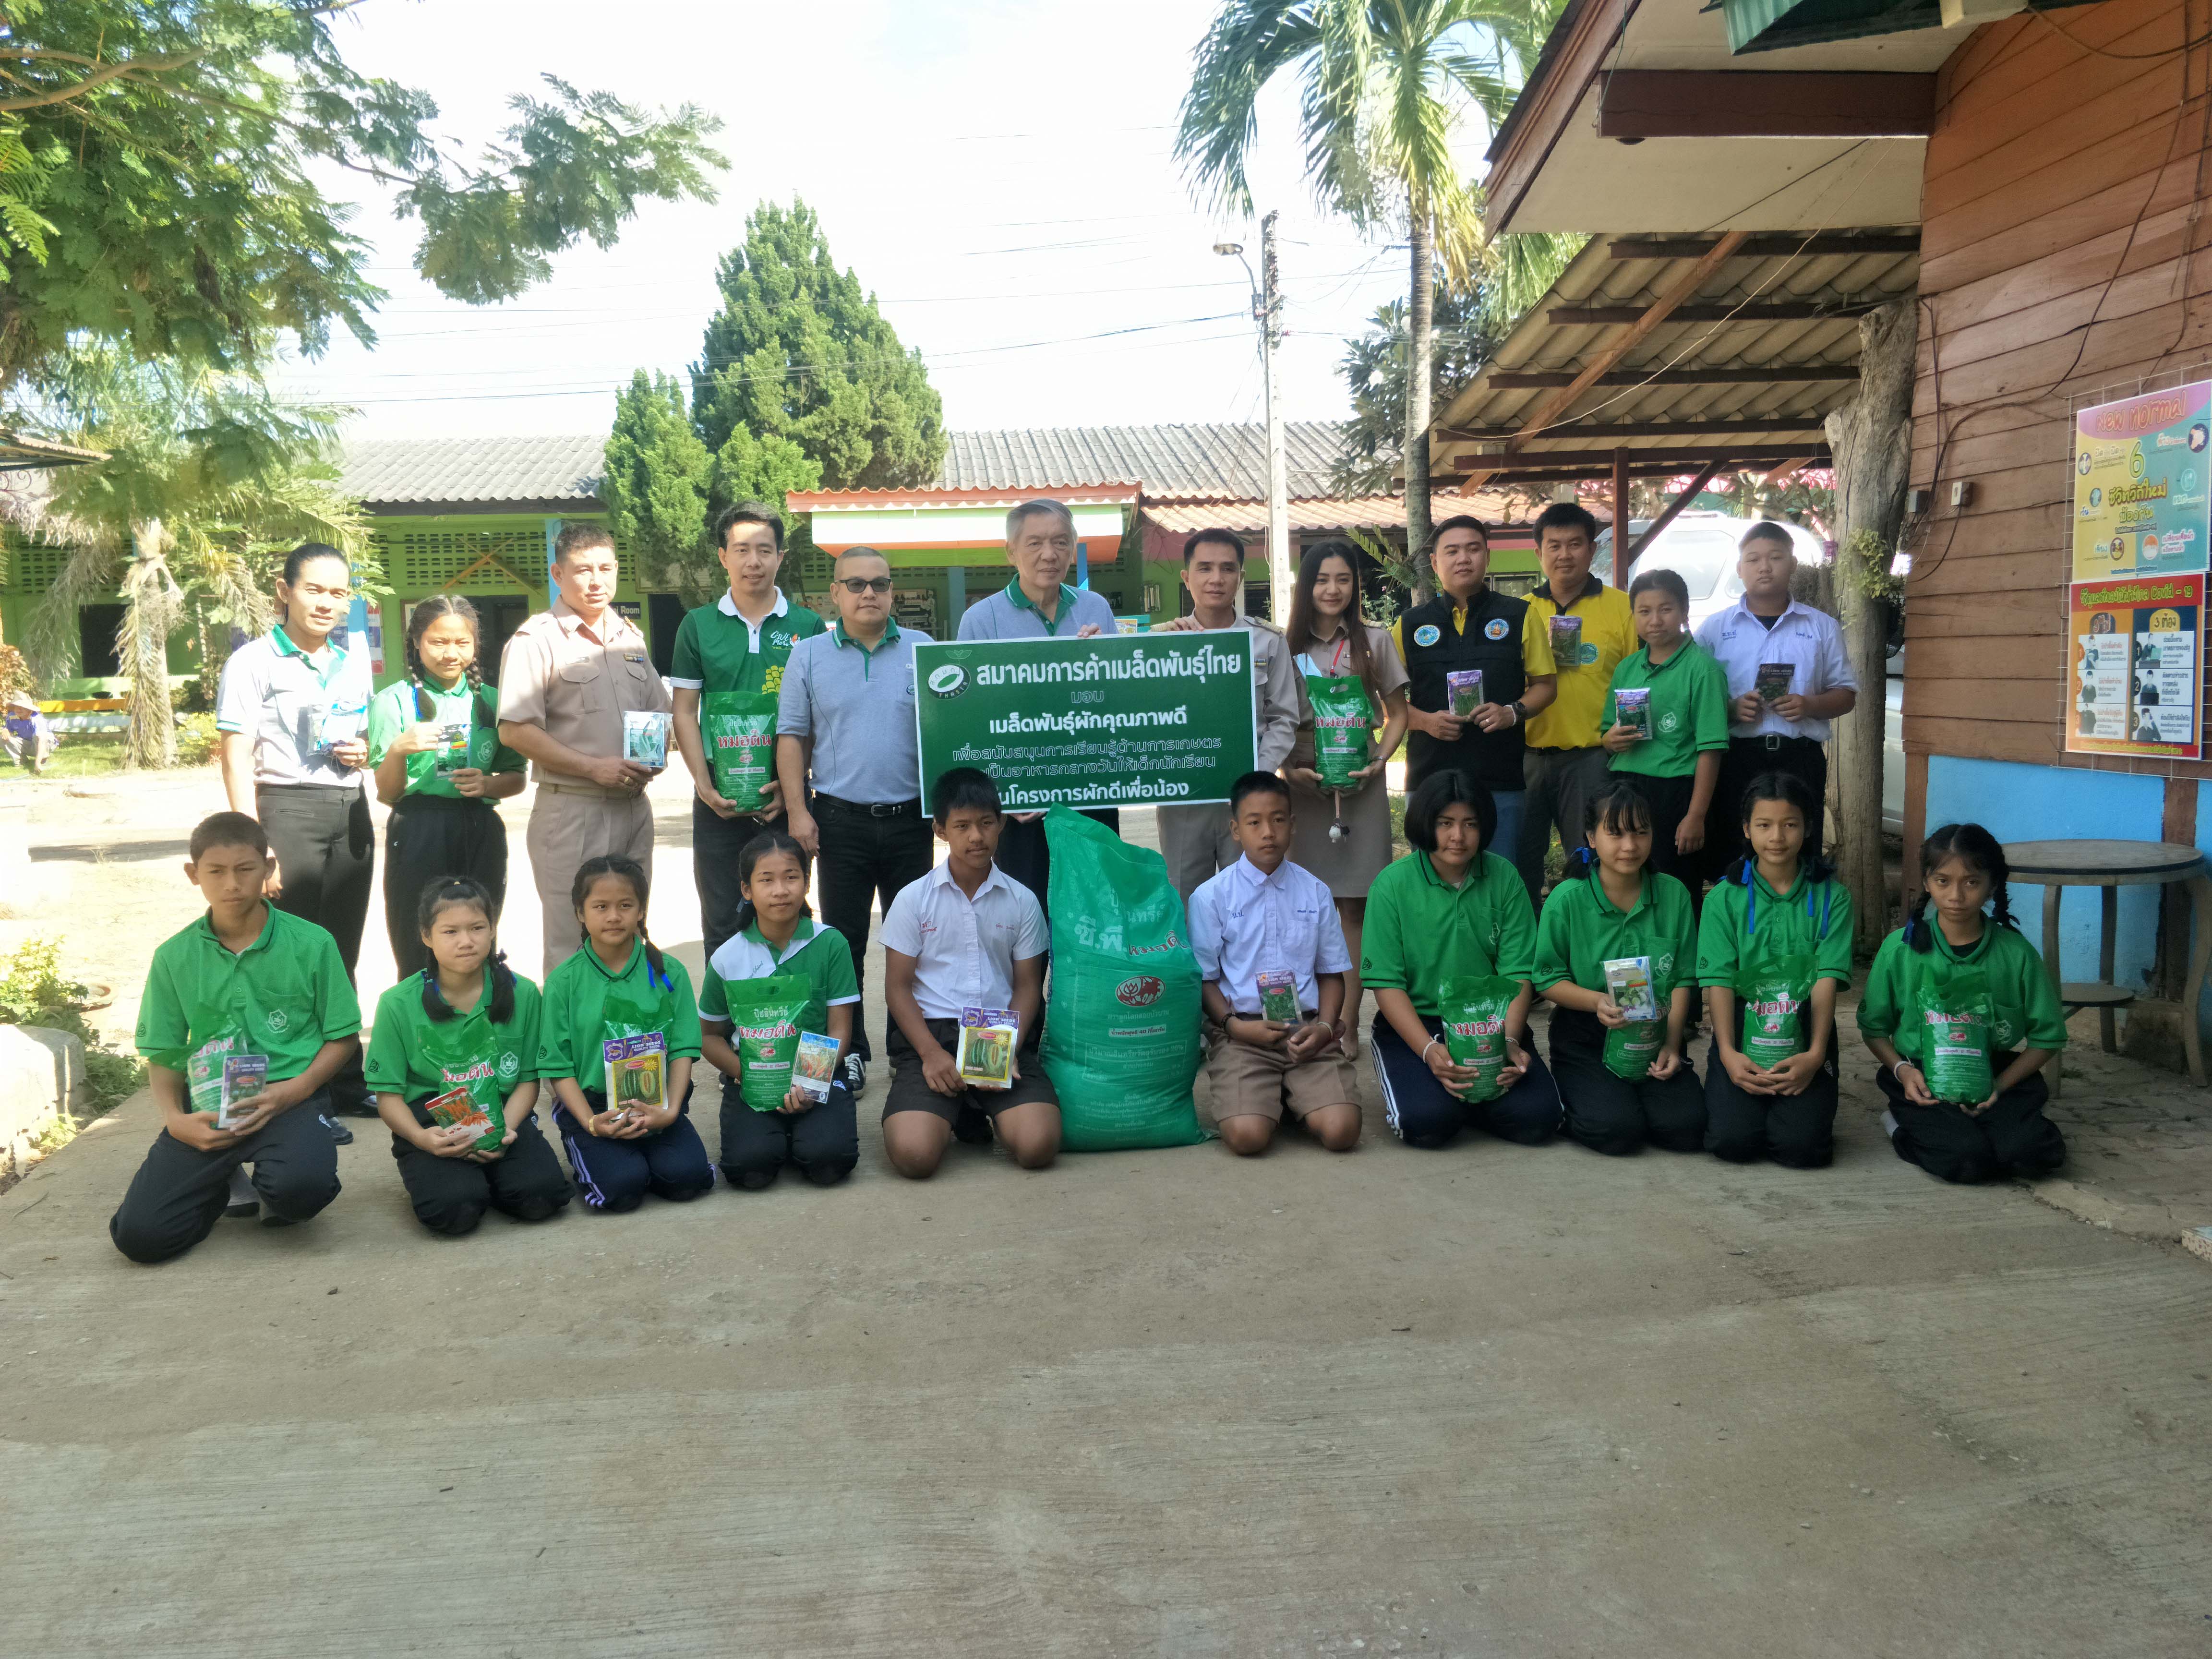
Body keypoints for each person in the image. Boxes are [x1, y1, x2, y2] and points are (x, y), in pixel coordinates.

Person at [109, 813, 358, 1263]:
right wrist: (174, 1118)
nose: (232, 885)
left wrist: (291, 1093)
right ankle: (220, 1183)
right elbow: (165, 1053)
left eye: (245, 869)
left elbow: (343, 1038)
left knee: (300, 1192)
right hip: (206, 1108)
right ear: (193, 875)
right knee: (141, 1239)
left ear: (268, 867)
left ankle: (269, 1177)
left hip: (289, 1097)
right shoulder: (173, 956)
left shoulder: (313, 943)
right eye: (216, 872)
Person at [216, 542, 376, 1137]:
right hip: (284, 809)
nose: (327, 603)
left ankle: (344, 1082)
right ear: (284, 590)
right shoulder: (253, 662)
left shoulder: (351, 659)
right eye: (315, 589)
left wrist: (364, 752)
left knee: (340, 953)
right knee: (287, 959)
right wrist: (254, 843)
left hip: (350, 809)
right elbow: (235, 752)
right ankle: (297, 1098)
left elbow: (363, 736)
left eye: (339, 593)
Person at [777, 546, 934, 1099]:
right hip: (839, 820)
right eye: (857, 584)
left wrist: (941, 806)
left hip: (912, 820)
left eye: (880, 584)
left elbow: (943, 732)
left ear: (893, 592)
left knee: (912, 943)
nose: (870, 593)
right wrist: (799, 810)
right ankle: (851, 1054)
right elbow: (792, 736)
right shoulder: (810, 656)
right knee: (843, 944)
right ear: (834, 595)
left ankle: (906, 1050)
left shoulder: (923, 650)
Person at [497, 523, 671, 978]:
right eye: (583, 570)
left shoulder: (630, 637)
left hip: (634, 808)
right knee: (571, 942)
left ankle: (628, 1044)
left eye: (607, 568)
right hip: (572, 811)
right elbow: (515, 731)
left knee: (631, 931)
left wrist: (654, 756)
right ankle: (570, 1051)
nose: (597, 581)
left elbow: (660, 712)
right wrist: (593, 768)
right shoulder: (536, 640)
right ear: (558, 573)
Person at [1361, 772, 1563, 1149]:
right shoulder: (1391, 885)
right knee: (1428, 1125)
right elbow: (1387, 984)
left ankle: (1469, 1100)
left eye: (1470, 824)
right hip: (1420, 1024)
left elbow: (1518, 973)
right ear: (1426, 823)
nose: (1458, 836)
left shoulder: (1505, 878)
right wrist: (1428, 1050)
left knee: (1538, 1122)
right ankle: (1453, 1101)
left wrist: (1509, 1040)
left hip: (1492, 1023)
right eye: (1445, 823)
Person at [878, 768, 1060, 1179]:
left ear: (1001, 824)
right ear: (941, 830)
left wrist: (1008, 1047)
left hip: (1000, 1030)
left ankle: (974, 1104)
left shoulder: (1022, 900)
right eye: (962, 826)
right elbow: (898, 988)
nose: (976, 836)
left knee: (1038, 1147)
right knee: (914, 1156)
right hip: (934, 1034)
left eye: (986, 823)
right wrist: (929, 1054)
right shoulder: (913, 899)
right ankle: (957, 1106)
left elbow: (1030, 986)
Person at [1860, 823, 2068, 1185]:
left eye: (1971, 882)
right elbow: (1874, 1029)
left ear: (1992, 885)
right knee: (1967, 1161)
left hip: (1995, 1072)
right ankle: (1899, 1125)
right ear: (1927, 882)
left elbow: (2048, 1037)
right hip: (1923, 1075)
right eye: (1943, 881)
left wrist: (1999, 1087)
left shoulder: (2016, 954)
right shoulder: (1900, 949)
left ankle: (2001, 1126)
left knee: (2033, 1156)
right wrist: (1903, 1072)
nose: (1956, 895)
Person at [365, 877, 571, 1236]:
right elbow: (388, 1096)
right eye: (450, 932)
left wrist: (504, 1129)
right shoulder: (397, 1003)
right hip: (432, 1119)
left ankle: (494, 1175)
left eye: (477, 928)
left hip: (502, 1110)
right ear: (427, 936)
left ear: (492, 930)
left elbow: (526, 1080)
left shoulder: (522, 994)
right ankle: (459, 1180)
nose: (466, 941)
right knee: (454, 1212)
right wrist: (420, 1138)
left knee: (543, 1198)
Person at [669, 501, 826, 961]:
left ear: (781, 556)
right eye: (741, 550)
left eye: (764, 550)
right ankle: (727, 1032)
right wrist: (703, 785)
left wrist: (793, 791)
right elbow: (684, 712)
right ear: (723, 556)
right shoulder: (697, 626)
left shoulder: (808, 626)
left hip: (787, 800)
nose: (752, 561)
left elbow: (817, 716)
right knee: (721, 918)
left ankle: (790, 1022)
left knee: (789, 913)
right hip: (719, 801)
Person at [955, 498, 1118, 914]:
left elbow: (1119, 700)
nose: (1050, 554)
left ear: (1074, 547)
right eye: (1036, 543)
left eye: (1061, 542)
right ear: (1011, 551)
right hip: (1019, 802)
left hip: (1089, 789)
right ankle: (1029, 984)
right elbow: (969, 718)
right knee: (1025, 920)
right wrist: (1001, 796)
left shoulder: (1095, 608)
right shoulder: (980, 619)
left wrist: (1106, 660)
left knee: (1092, 915)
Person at [1281, 539, 1411, 1054]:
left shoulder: (1375, 642)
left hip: (1360, 782)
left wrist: (1379, 762)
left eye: (1343, 579)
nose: (1332, 590)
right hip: (1304, 785)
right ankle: (1304, 1017)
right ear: (1305, 586)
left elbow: (1397, 713)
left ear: (1356, 586)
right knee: (1303, 908)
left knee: (1354, 910)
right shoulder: (1283, 646)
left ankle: (1345, 1025)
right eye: (1321, 579)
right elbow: (1270, 720)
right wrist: (1290, 770)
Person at [1187, 771, 1359, 1156]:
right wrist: (1233, 1027)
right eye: (1254, 822)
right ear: (1235, 830)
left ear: (1293, 825)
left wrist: (1327, 1027)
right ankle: (1273, 1098)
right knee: (1248, 1139)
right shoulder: (1211, 897)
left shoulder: (1315, 891)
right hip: (1244, 1036)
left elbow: (1331, 974)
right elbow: (1205, 980)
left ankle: (1296, 1096)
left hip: (1307, 1032)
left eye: (1279, 819)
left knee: (1342, 1133)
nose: (1269, 832)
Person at [1534, 782, 1704, 1156]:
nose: (1630, 846)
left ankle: (1631, 1094)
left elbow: (1682, 979)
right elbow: (1547, 978)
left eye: (1641, 832)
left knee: (1687, 1130)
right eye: (1616, 833)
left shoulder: (1673, 894)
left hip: (1653, 1032)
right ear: (1591, 838)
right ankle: (1578, 1097)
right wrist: (1597, 1001)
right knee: (1616, 1131)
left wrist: (1672, 1044)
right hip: (1586, 1034)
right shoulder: (1567, 899)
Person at [365, 595, 527, 983]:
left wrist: (487, 784)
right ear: (417, 643)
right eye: (438, 642)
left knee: (478, 929)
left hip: (480, 827)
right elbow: (388, 793)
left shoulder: (491, 701)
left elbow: (517, 777)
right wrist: (399, 750)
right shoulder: (393, 703)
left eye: (462, 643)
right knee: (417, 933)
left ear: (475, 646)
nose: (451, 653)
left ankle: (479, 1018)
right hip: (419, 827)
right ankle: (423, 1018)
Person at [538, 855, 713, 1212]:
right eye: (600, 906)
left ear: (641, 912)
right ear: (580, 913)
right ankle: (612, 1160)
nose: (614, 916)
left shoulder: (669, 973)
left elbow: (683, 1050)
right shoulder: (563, 982)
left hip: (657, 1103)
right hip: (596, 1108)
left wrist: (670, 1111)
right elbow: (558, 1066)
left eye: (625, 905)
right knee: (621, 1192)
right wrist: (590, 1122)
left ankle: (654, 1159)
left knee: (689, 1181)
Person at [1697, 771, 1853, 1168]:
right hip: (1743, 1022)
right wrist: (1730, 1054)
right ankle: (1738, 1093)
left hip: (1803, 1024)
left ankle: (1800, 1109)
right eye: (1764, 825)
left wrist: (1816, 1055)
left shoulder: (1834, 897)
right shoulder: (1723, 899)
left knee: (1801, 1150)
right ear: (1746, 829)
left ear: (1808, 827)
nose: (1777, 838)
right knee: (1732, 1143)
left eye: (1790, 825)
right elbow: (1719, 981)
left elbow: (1825, 980)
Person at [1391, 516, 1552, 898]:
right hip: (1430, 780)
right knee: (1431, 889)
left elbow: (1546, 686)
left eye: (1473, 548)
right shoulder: (1411, 624)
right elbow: (1385, 702)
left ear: (1487, 556)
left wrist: (1512, 712)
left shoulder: (1519, 615)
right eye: (1452, 551)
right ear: (1434, 563)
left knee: (1500, 887)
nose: (1464, 558)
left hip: (1500, 779)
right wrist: (1425, 722)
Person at [698, 831, 861, 1192]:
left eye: (791, 877)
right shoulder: (728, 956)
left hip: (817, 1077)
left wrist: (807, 1082)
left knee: (829, 1163)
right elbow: (708, 1036)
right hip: (753, 1079)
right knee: (749, 1170)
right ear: (746, 889)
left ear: (806, 882)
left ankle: (806, 1133)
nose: (780, 890)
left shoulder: (829, 943)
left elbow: (839, 1030)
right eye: (766, 880)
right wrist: (750, 1077)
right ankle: (772, 1136)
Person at [1693, 520, 1858, 872]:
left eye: (1775, 557)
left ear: (1793, 565)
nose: (1764, 567)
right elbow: (1693, 698)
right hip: (1737, 757)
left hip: (1800, 758)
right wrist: (1731, 709)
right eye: (1753, 559)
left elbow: (1846, 695)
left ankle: (1797, 923)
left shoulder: (1821, 626)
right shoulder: (1714, 630)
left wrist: (1810, 704)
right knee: (1734, 851)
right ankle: (1739, 922)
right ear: (1740, 569)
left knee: (1799, 852)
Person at [1151, 529, 1301, 902]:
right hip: (1184, 796)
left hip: (1247, 799)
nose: (1216, 579)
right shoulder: (1161, 641)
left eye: (1227, 569)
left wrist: (1257, 773)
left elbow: (1285, 717)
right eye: (1204, 569)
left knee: (1251, 900)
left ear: (1240, 576)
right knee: (1185, 901)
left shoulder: (1267, 640)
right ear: (1186, 578)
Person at [1520, 502, 1638, 885]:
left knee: (1590, 861)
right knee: (1520, 861)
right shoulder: (1518, 612)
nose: (1564, 555)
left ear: (1593, 549)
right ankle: (1529, 943)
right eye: (1554, 546)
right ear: (1538, 553)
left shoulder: (1624, 608)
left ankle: (1587, 941)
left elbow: (1641, 680)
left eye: (1575, 544)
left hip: (1593, 758)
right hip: (1526, 758)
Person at [1599, 566, 1729, 894]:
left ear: (1684, 612)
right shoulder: (1627, 667)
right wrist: (1610, 739)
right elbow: (1605, 734)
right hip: (1625, 787)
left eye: (1665, 609)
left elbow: (1710, 749)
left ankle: (1677, 947)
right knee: (1626, 881)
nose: (1655, 620)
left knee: (1674, 884)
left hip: (1676, 793)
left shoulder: (1703, 669)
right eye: (1644, 611)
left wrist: (1696, 815)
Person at [2, 692, 55, 771]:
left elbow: (42, 740)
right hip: (26, 743)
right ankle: (21, 761)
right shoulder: (12, 716)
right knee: (2, 737)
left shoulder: (37, 718)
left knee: (39, 736)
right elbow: (8, 729)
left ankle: (43, 761)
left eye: (22, 707)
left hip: (43, 744)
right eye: (16, 707)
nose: (18, 710)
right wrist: (6, 731)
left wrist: (37, 763)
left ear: (29, 709)